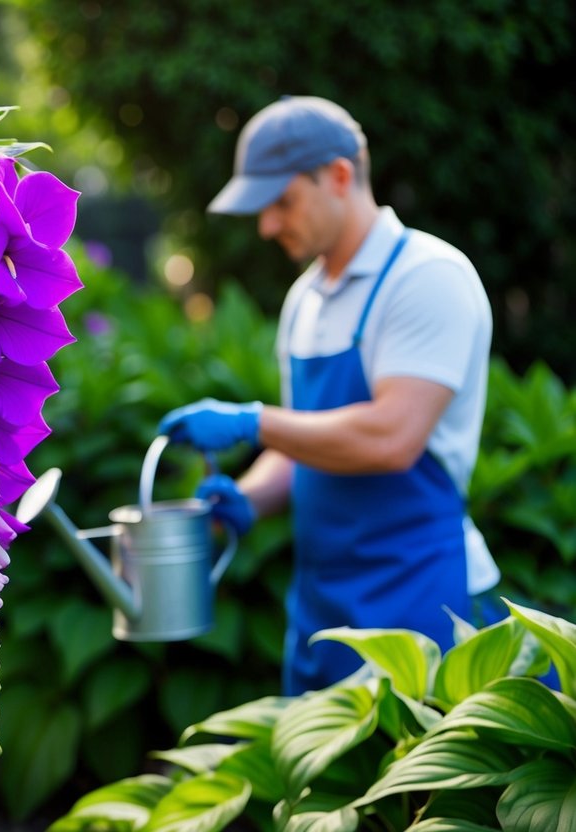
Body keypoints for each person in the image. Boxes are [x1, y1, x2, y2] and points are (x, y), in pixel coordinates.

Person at [158, 95, 498, 695]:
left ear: (339, 176)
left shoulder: (427, 277)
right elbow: (302, 442)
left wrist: (251, 423)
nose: (266, 226)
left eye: (281, 202)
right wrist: (245, 499)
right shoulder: (305, 299)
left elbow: (392, 437)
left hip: (420, 601)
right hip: (320, 607)